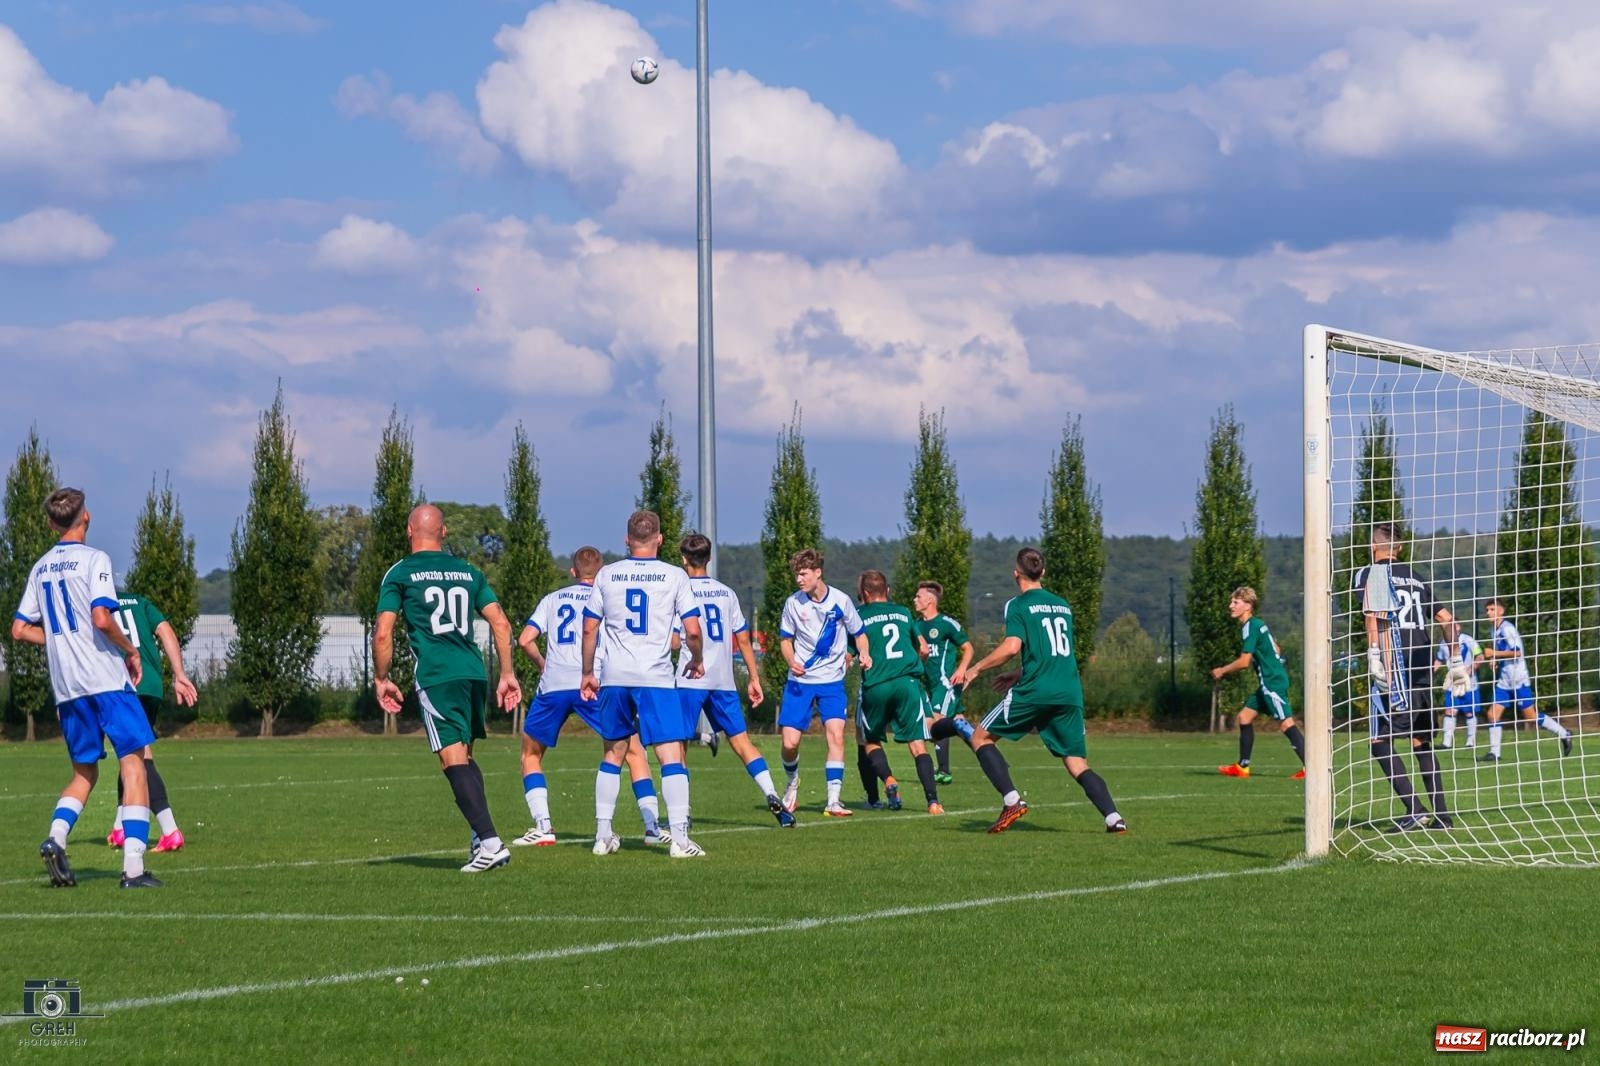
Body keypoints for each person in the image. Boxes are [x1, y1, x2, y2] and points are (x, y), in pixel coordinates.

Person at [11, 488, 161, 888]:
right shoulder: (96, 560)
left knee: (84, 771)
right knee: (133, 762)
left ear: (50, 523)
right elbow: (101, 617)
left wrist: (60, 641)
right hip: (106, 680)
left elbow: (19, 629)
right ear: (86, 517)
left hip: (67, 688)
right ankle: (133, 869)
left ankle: (56, 837)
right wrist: (130, 651)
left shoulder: (40, 569)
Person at [374, 504, 521, 873]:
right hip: (473, 672)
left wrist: (381, 678)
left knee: (450, 758)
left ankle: (490, 843)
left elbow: (382, 632)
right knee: (466, 756)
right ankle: (479, 840)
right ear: (444, 532)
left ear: (409, 531)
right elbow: (501, 624)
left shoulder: (401, 573)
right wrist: (507, 673)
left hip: (437, 674)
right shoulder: (468, 571)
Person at [957, 547, 1128, 835]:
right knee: (1076, 762)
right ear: (1043, 572)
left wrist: (975, 669)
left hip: (1037, 690)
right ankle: (1113, 817)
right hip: (1069, 691)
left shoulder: (1018, 604)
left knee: (980, 737)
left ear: (1016, 573)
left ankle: (1012, 800)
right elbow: (1053, 654)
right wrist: (1017, 673)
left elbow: (1012, 647)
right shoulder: (1063, 605)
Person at [513, 546, 671, 847]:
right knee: (634, 752)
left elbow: (524, 640)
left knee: (530, 755)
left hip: (555, 684)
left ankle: (544, 826)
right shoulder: (607, 597)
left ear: (573, 572)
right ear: (601, 574)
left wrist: (543, 664)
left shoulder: (552, 600)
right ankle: (652, 827)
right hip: (594, 682)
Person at [580, 510, 707, 858]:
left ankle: (603, 835)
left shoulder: (607, 574)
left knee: (612, 754)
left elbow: (590, 628)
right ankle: (680, 840)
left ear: (626, 539)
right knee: (670, 757)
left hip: (615, 677)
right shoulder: (674, 576)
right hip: (656, 679)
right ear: (660, 539)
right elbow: (693, 630)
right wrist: (696, 659)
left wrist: (588, 672)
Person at [672, 532, 794, 827]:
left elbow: (677, 641)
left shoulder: (678, 592)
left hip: (690, 678)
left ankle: (682, 815)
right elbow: (742, 638)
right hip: (723, 681)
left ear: (683, 559)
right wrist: (754, 677)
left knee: (677, 748)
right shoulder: (726, 593)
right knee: (742, 743)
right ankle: (772, 794)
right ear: (709, 558)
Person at [1354, 522, 1454, 832]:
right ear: (1400, 548)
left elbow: (1373, 614)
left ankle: (1415, 809)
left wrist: (1374, 654)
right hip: (1423, 666)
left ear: (1374, 546)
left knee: (1379, 741)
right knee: (1421, 740)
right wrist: (1457, 660)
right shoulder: (1417, 577)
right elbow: (1448, 619)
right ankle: (1442, 816)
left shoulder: (1369, 573)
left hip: (1395, 666)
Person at [776, 548, 872, 817]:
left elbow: (860, 634)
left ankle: (833, 801)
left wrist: (863, 653)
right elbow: (785, 640)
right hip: (800, 681)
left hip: (832, 682)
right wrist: (790, 660)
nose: (799, 579)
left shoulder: (841, 601)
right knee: (790, 743)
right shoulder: (793, 603)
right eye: (796, 574)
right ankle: (792, 781)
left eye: (804, 573)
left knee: (836, 735)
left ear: (818, 573)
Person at [106, 591, 198, 852]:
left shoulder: (100, 607)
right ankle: (120, 828)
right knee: (130, 753)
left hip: (126, 683)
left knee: (138, 756)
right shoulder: (140, 602)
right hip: (151, 685)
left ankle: (169, 830)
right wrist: (179, 674)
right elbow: (166, 631)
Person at [854, 571, 943, 815]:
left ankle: (889, 780)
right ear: (888, 590)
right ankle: (933, 802)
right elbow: (924, 648)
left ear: (864, 593)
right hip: (908, 682)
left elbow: (849, 653)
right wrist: (913, 665)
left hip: (878, 683)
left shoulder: (859, 615)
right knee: (918, 744)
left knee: (868, 740)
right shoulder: (904, 613)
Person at [1211, 587, 1306, 780]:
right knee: (1244, 717)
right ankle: (1242, 767)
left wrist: (1222, 670)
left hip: (1272, 682)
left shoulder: (1250, 627)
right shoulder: (1258, 624)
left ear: (1248, 605)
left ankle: (1310, 767)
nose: (1231, 606)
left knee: (1286, 723)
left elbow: (1244, 662)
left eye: (1235, 603)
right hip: (1269, 681)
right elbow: (1276, 649)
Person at [1479, 599, 1574, 762]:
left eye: (1492, 609)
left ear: (1501, 611)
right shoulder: (1494, 630)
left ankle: (1564, 733)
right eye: (1487, 610)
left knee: (1531, 717)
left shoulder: (1507, 629)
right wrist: (1494, 659)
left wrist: (1493, 653)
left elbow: (1516, 653)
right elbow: (1503, 651)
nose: (1488, 612)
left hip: (1518, 679)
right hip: (1505, 680)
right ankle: (1495, 753)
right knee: (1492, 714)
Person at [913, 581, 973, 785]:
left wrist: (962, 669)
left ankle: (944, 771)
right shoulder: (917, 626)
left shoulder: (946, 624)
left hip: (945, 683)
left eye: (918, 596)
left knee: (936, 723)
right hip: (929, 685)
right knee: (958, 724)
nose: (915, 600)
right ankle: (987, 752)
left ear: (930, 600)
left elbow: (968, 648)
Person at [1434, 627, 1483, 750]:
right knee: (1450, 711)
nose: (1453, 628)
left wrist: (1471, 669)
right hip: (1452, 684)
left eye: (1455, 625)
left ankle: (1470, 742)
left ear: (1459, 626)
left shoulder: (1468, 640)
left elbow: (1480, 656)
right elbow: (1439, 660)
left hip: (1469, 685)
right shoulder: (1443, 643)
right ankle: (1446, 743)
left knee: (1469, 712)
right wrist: (1430, 672)